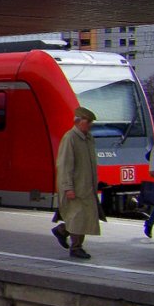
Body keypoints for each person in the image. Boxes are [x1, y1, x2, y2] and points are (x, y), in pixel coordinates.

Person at [51, 106, 100, 259]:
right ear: (79, 122)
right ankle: (76, 247)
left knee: (82, 217)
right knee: (79, 217)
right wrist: (68, 187)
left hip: (86, 186)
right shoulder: (70, 138)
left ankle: (62, 230)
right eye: (88, 121)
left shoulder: (88, 138)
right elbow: (64, 165)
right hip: (76, 186)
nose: (90, 124)